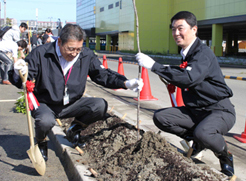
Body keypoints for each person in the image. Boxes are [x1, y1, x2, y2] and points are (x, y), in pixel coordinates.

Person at [9, 24, 143, 162]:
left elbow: (101, 74)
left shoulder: (85, 55)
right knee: (45, 121)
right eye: (70, 49)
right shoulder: (41, 53)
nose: (74, 54)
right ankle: (41, 141)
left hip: (71, 103)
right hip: (46, 103)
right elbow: (23, 80)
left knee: (99, 105)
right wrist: (19, 73)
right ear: (60, 42)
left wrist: (125, 83)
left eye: (78, 49)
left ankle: (74, 129)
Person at [136, 11, 235, 177]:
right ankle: (199, 141)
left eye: (180, 28)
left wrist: (154, 66)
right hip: (196, 112)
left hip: (218, 111)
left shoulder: (202, 53)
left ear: (194, 29)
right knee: (161, 117)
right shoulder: (186, 55)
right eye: (173, 29)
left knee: (204, 133)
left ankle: (225, 155)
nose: (176, 33)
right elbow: (182, 72)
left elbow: (189, 77)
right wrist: (166, 70)